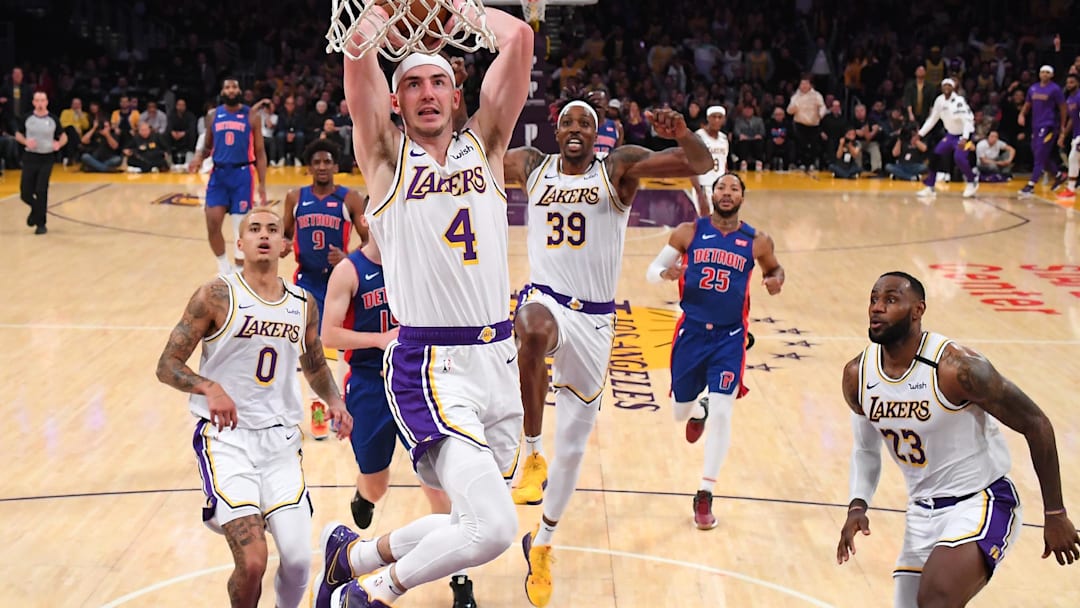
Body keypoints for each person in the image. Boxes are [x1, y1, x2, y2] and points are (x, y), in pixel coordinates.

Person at [312, 6, 534, 608]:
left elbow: (519, 37)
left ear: (458, 96)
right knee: (494, 529)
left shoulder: (487, 146)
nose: (427, 93)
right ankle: (370, 593)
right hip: (431, 365)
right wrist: (385, 13)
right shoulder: (386, 160)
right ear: (396, 101)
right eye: (412, 84)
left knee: (471, 515)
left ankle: (351, 556)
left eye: (438, 82)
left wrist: (455, 8)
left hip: (498, 359)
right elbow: (357, 53)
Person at [505, 98, 711, 606]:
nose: (575, 128)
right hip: (547, 300)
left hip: (596, 319)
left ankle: (543, 543)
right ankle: (531, 454)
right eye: (567, 122)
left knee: (574, 448)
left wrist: (682, 133)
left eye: (585, 123)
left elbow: (699, 162)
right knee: (531, 330)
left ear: (597, 133)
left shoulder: (617, 167)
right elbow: (469, 159)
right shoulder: (531, 166)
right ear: (555, 131)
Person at [836, 271, 1080, 607]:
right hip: (921, 512)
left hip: (982, 501)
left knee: (936, 597)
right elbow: (866, 449)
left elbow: (1036, 423)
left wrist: (1055, 512)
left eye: (890, 300)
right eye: (874, 299)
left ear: (918, 310)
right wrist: (857, 505)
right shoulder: (858, 375)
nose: (877, 307)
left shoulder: (956, 369)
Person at [155, 208, 352, 608]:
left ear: (284, 244)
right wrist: (209, 386)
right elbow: (167, 365)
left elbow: (315, 364)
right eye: (255, 229)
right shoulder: (215, 295)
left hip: (281, 443)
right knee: (253, 562)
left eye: (273, 229)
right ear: (240, 243)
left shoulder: (303, 303)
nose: (264, 235)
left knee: (298, 561)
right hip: (227, 441)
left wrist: (334, 400)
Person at [321, 216, 478, 607]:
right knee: (377, 484)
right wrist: (379, 340)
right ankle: (364, 494)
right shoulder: (350, 270)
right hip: (369, 385)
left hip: (414, 383)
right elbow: (329, 335)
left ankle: (460, 579)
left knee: (439, 485)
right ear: (366, 220)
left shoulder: (418, 263)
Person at [646, 173, 784, 530]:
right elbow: (652, 270)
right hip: (691, 333)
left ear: (742, 197)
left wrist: (775, 280)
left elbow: (775, 269)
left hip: (730, 337)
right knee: (679, 412)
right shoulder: (688, 232)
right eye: (722, 187)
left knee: (724, 413)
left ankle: (705, 492)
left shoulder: (757, 241)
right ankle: (698, 409)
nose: (727, 193)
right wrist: (666, 274)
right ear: (713, 193)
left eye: (734, 188)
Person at [281, 139, 365, 440]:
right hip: (306, 282)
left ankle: (340, 410)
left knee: (343, 348)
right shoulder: (295, 197)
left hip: (339, 281)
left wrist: (348, 258)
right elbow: (284, 236)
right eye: (316, 162)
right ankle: (317, 410)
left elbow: (371, 242)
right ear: (309, 167)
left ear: (335, 165)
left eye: (327, 161)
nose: (321, 166)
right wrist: (280, 245)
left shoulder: (350, 198)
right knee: (309, 350)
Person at [189, 80, 269, 275]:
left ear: (240, 90)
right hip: (218, 174)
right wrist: (198, 157)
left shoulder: (251, 116)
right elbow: (207, 146)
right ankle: (224, 267)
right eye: (227, 87)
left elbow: (260, 152)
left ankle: (240, 269)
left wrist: (262, 184)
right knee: (212, 223)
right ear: (222, 91)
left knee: (240, 228)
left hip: (242, 174)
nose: (231, 90)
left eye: (234, 87)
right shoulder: (213, 115)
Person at [915, 78, 979, 199]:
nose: (946, 88)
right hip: (951, 135)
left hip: (964, 134)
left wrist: (965, 138)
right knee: (935, 155)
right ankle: (930, 186)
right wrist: (920, 134)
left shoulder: (959, 101)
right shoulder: (939, 100)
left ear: (953, 88)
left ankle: (972, 180)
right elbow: (933, 119)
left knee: (959, 158)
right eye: (944, 85)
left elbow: (967, 121)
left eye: (949, 85)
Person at [14, 92, 66, 235]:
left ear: (47, 102)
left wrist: (59, 144)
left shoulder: (53, 119)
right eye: (37, 100)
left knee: (41, 190)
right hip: (30, 158)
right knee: (25, 193)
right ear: (33, 102)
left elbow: (63, 136)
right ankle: (36, 210)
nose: (40, 103)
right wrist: (25, 141)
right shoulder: (27, 118)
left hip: (47, 158)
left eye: (42, 100)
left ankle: (41, 224)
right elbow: (18, 134)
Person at [1018, 65, 1068, 197]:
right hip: (1035, 124)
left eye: (1047, 72)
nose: (1045, 74)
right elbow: (1027, 104)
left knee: (1040, 153)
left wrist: (1062, 126)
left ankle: (1031, 184)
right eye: (1042, 72)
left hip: (1048, 125)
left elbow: (1063, 107)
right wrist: (1022, 114)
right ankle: (1058, 174)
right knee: (1037, 152)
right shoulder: (1033, 88)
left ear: (1051, 75)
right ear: (1039, 74)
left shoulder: (1055, 89)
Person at [694, 105, 730, 216]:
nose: (717, 120)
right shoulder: (699, 136)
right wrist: (699, 194)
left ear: (724, 120)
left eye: (720, 117)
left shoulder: (724, 138)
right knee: (705, 220)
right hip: (704, 185)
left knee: (720, 220)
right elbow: (690, 167)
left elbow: (724, 164)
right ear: (708, 118)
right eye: (714, 117)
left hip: (720, 186)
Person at [1057, 73, 1079, 200]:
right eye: (1067, 83)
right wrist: (1063, 135)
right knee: (1074, 159)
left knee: (1073, 158)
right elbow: (1071, 119)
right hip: (1076, 134)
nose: (1069, 85)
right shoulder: (1070, 99)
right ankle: (1071, 188)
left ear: (1078, 83)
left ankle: (1071, 189)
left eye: (1072, 82)